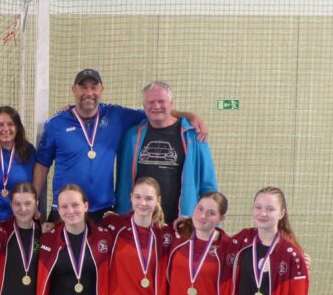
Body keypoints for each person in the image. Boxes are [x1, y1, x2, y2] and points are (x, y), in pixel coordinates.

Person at [34, 69, 207, 221]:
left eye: (94, 87)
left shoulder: (116, 115)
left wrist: (189, 115)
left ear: (102, 90)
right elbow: (42, 165)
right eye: (83, 87)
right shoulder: (55, 124)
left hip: (102, 210)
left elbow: (153, 112)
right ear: (73, 90)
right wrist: (34, 201)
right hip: (65, 209)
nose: (89, 92)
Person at [116, 81, 218, 224]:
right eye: (151, 102)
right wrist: (121, 217)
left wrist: (212, 223)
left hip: (181, 221)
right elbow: (123, 182)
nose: (156, 106)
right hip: (141, 222)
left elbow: (208, 182)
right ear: (144, 106)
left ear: (171, 103)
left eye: (161, 101)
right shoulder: (131, 136)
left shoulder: (194, 136)